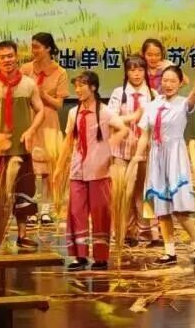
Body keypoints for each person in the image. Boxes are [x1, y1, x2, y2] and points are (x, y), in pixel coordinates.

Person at [0, 40, 50, 251]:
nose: (7, 60)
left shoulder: (29, 84)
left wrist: (31, 130)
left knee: (23, 193)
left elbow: (40, 110)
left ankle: (23, 235)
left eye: (10, 56)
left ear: (17, 57)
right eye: (2, 57)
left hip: (22, 149)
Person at [136, 60, 195, 265]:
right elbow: (144, 135)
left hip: (175, 157)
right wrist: (137, 156)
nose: (168, 84)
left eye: (173, 81)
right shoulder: (152, 105)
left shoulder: (182, 104)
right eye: (165, 80)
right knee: (161, 209)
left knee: (180, 209)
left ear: (180, 83)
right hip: (156, 158)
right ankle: (169, 251)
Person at [62, 71, 128, 272]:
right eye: (76, 86)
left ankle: (100, 257)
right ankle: (79, 256)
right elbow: (68, 140)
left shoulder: (105, 112)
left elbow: (123, 129)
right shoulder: (73, 112)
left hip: (99, 170)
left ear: (93, 87)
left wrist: (110, 146)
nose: (78, 90)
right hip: (77, 169)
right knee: (76, 212)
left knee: (100, 213)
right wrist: (59, 167)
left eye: (82, 85)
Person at [107, 55, 159, 248]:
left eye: (140, 70)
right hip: (122, 149)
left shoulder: (153, 94)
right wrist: (133, 117)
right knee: (123, 190)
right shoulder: (119, 93)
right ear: (126, 72)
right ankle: (126, 231)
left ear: (145, 71)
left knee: (144, 191)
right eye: (132, 70)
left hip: (145, 149)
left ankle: (147, 230)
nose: (136, 74)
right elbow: (110, 118)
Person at [20, 32, 68, 227]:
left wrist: (43, 94)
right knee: (30, 168)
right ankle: (30, 208)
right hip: (29, 120)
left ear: (48, 48)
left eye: (38, 47)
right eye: (32, 46)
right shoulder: (25, 69)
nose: (34, 51)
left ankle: (46, 209)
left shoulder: (60, 72)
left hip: (48, 122)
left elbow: (58, 104)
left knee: (48, 168)